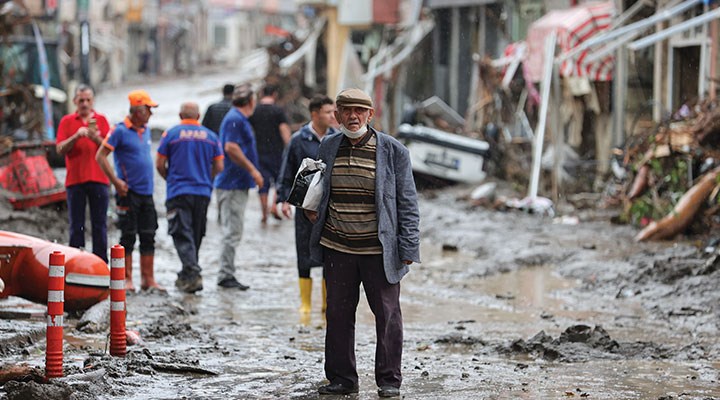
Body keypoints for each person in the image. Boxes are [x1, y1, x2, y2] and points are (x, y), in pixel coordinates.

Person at [306, 88, 420, 398]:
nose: (353, 116)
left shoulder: (394, 151)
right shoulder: (327, 147)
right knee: (338, 315)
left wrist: (408, 248)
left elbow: (407, 203)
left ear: (370, 115)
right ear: (338, 115)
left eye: (360, 111)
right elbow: (317, 189)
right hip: (337, 248)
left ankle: (389, 381)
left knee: (387, 316)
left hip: (378, 251)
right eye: (347, 110)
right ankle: (342, 379)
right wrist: (311, 208)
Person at [96, 89, 164, 294]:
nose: (151, 114)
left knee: (149, 234)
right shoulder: (119, 131)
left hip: (147, 192)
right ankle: (127, 279)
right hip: (128, 192)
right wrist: (116, 182)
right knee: (128, 235)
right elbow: (101, 156)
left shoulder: (145, 130)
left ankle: (148, 279)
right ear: (137, 111)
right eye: (148, 110)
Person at [276, 95, 337, 315]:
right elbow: (286, 170)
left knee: (329, 254)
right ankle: (305, 304)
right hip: (304, 206)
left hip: (330, 206)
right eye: (328, 112)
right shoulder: (298, 139)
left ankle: (326, 304)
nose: (333, 116)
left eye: (333, 112)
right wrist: (282, 199)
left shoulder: (337, 138)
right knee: (304, 251)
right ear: (314, 114)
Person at [156, 102, 224, 294]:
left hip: (178, 191)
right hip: (202, 192)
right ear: (199, 115)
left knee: (181, 232)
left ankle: (192, 272)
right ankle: (188, 274)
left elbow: (160, 163)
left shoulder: (171, 134)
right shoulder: (211, 137)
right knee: (196, 233)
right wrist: (205, 178)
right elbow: (219, 166)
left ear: (179, 115)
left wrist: (170, 179)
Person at [214, 84, 264, 290]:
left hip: (235, 183)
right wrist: (253, 170)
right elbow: (231, 147)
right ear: (251, 101)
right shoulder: (235, 119)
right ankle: (226, 275)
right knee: (232, 231)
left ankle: (227, 272)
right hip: (232, 184)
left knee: (232, 230)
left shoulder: (237, 118)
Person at [56, 84, 111, 262]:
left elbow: (110, 148)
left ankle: (100, 263)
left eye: (88, 100)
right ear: (75, 102)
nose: (85, 104)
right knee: (76, 226)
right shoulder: (67, 121)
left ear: (93, 101)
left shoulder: (101, 120)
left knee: (99, 225)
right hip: (75, 180)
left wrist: (95, 137)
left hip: (99, 179)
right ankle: (76, 263)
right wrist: (76, 136)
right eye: (81, 100)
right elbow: (59, 149)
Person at [248, 84, 291, 223]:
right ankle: (274, 206)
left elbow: (249, 132)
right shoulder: (278, 111)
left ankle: (264, 213)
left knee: (262, 182)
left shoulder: (254, 111)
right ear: (274, 95)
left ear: (261, 94)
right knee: (279, 180)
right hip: (276, 152)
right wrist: (289, 147)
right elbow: (284, 130)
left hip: (259, 152)